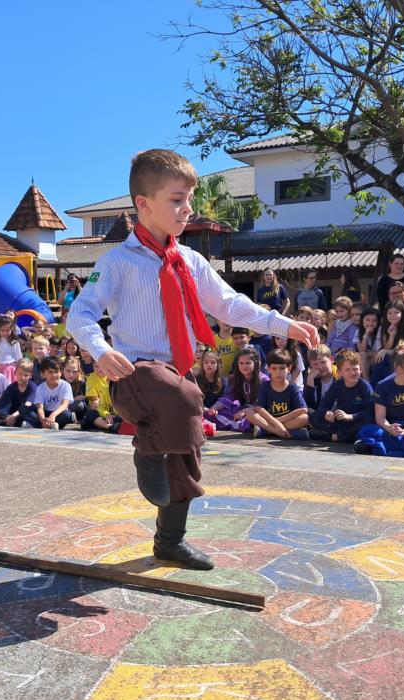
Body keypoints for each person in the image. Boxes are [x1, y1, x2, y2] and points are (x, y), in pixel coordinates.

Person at [66, 148, 318, 571]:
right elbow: (80, 313)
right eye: (177, 199)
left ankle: (169, 542)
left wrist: (283, 325)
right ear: (143, 205)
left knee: (187, 450)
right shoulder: (116, 262)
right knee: (182, 396)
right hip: (133, 377)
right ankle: (147, 452)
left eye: (189, 199)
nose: (188, 209)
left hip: (174, 381)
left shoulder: (190, 261)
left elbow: (229, 304)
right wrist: (101, 349)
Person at [309, 349, 373, 442]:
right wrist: (327, 413)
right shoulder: (337, 385)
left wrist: (351, 416)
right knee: (313, 415)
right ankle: (340, 435)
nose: (352, 373)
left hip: (356, 421)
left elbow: (370, 413)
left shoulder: (365, 387)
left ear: (361, 369)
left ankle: (331, 436)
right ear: (339, 372)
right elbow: (323, 405)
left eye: (355, 369)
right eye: (347, 370)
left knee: (368, 424)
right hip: (340, 421)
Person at [253, 348, 309, 439]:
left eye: (282, 368)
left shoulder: (292, 387)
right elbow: (259, 407)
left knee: (305, 418)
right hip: (270, 420)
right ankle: (288, 433)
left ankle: (267, 431)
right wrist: (276, 423)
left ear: (289, 368)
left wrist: (279, 421)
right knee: (250, 414)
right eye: (274, 368)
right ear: (268, 368)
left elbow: (303, 409)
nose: (278, 372)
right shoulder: (265, 385)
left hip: (285, 421)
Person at [209, 347, 267, 433]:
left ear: (255, 364)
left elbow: (264, 404)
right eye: (241, 363)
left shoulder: (264, 380)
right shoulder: (236, 379)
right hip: (242, 410)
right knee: (213, 414)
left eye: (248, 363)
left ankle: (251, 426)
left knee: (250, 418)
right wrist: (214, 408)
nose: (244, 366)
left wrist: (245, 411)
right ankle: (243, 425)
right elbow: (229, 397)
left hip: (258, 412)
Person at [368, 300, 404, 385]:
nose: (392, 316)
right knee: (382, 359)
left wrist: (386, 351)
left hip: (402, 356)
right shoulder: (383, 327)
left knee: (385, 359)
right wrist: (391, 336)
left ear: (402, 313)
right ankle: (375, 389)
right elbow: (386, 348)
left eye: (396, 312)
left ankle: (379, 387)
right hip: (389, 356)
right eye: (389, 313)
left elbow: (403, 348)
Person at [25, 356, 74, 429]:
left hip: (58, 413)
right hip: (45, 413)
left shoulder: (66, 385)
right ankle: (44, 424)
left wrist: (53, 415)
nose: (54, 375)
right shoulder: (40, 388)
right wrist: (42, 419)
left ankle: (39, 424)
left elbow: (65, 404)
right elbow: (40, 407)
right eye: (50, 372)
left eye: (56, 372)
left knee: (67, 415)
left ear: (61, 372)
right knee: (24, 408)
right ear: (43, 374)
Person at [0, 358, 36, 427]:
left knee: (27, 410)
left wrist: (13, 416)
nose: (23, 377)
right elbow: (1, 397)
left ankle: (8, 421)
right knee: (6, 395)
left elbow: (27, 405)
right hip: (14, 413)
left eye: (26, 375)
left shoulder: (32, 387)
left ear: (30, 376)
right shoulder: (13, 386)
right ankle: (2, 417)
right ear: (15, 373)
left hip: (26, 414)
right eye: (20, 374)